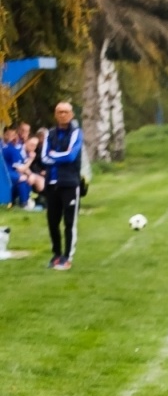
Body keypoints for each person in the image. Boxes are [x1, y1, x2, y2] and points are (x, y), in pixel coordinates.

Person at [40, 102, 84, 270]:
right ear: (55, 114)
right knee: (52, 221)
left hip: (69, 183)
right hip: (51, 183)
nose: (62, 115)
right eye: (59, 112)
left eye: (65, 112)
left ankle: (67, 256)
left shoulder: (76, 133)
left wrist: (55, 156)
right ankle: (56, 254)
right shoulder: (50, 134)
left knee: (69, 222)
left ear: (71, 114)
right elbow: (44, 157)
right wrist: (58, 157)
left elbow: (71, 156)